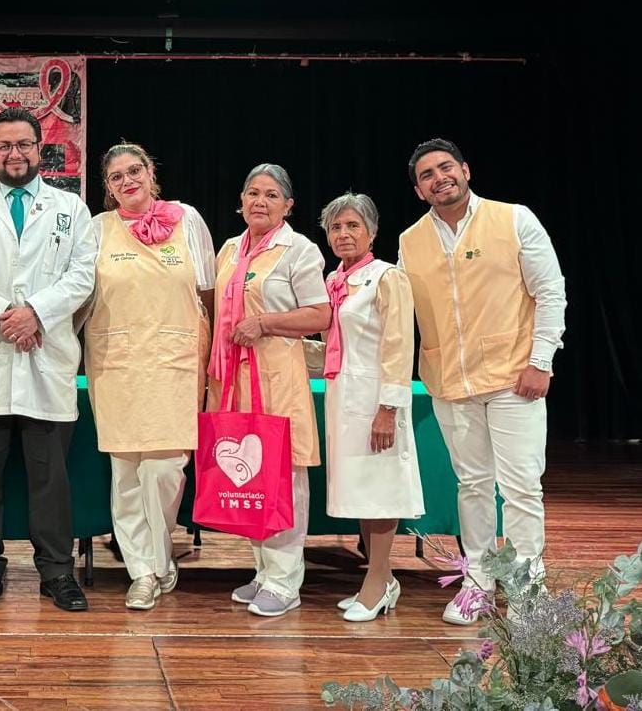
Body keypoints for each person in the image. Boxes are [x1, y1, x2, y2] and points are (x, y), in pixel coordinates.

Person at [399, 138, 566, 625]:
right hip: (449, 381)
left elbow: (550, 292)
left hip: (514, 378)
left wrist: (540, 361)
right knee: (472, 485)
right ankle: (477, 581)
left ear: (465, 170)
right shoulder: (410, 241)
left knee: (521, 488)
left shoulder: (513, 219)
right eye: (427, 175)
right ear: (419, 191)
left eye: (445, 167)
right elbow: (400, 310)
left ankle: (527, 587)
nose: (439, 178)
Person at [0, 108, 97, 613]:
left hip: (46, 357)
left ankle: (57, 570)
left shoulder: (70, 208)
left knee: (51, 479)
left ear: (39, 148)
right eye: (4, 145)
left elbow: (83, 275)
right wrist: (3, 316)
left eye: (23, 144)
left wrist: (36, 314)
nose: (14, 154)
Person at [81, 142, 215, 611]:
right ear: (108, 187)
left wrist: (211, 356)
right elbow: (81, 294)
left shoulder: (188, 219)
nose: (128, 181)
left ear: (151, 172)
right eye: (116, 177)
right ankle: (143, 572)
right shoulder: (97, 229)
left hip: (176, 362)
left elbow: (208, 293)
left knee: (164, 468)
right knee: (126, 474)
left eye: (134, 170)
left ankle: (158, 556)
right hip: (117, 364)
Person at [207, 163, 331, 618]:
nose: (260, 201)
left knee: (284, 478)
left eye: (272, 195)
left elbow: (320, 314)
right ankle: (263, 572)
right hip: (234, 379)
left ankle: (285, 581)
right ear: (241, 201)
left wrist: (265, 323)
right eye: (253, 193)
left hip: (277, 376)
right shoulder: (229, 249)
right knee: (250, 478)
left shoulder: (299, 250)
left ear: (288, 205)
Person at [315, 192, 424, 623]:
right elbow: (331, 345)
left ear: (372, 232)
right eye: (336, 227)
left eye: (352, 226)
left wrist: (388, 409)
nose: (343, 234)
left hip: (375, 398)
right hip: (343, 398)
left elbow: (399, 345)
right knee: (361, 488)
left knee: (380, 489)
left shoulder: (386, 277)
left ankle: (376, 581)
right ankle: (385, 580)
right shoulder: (333, 280)